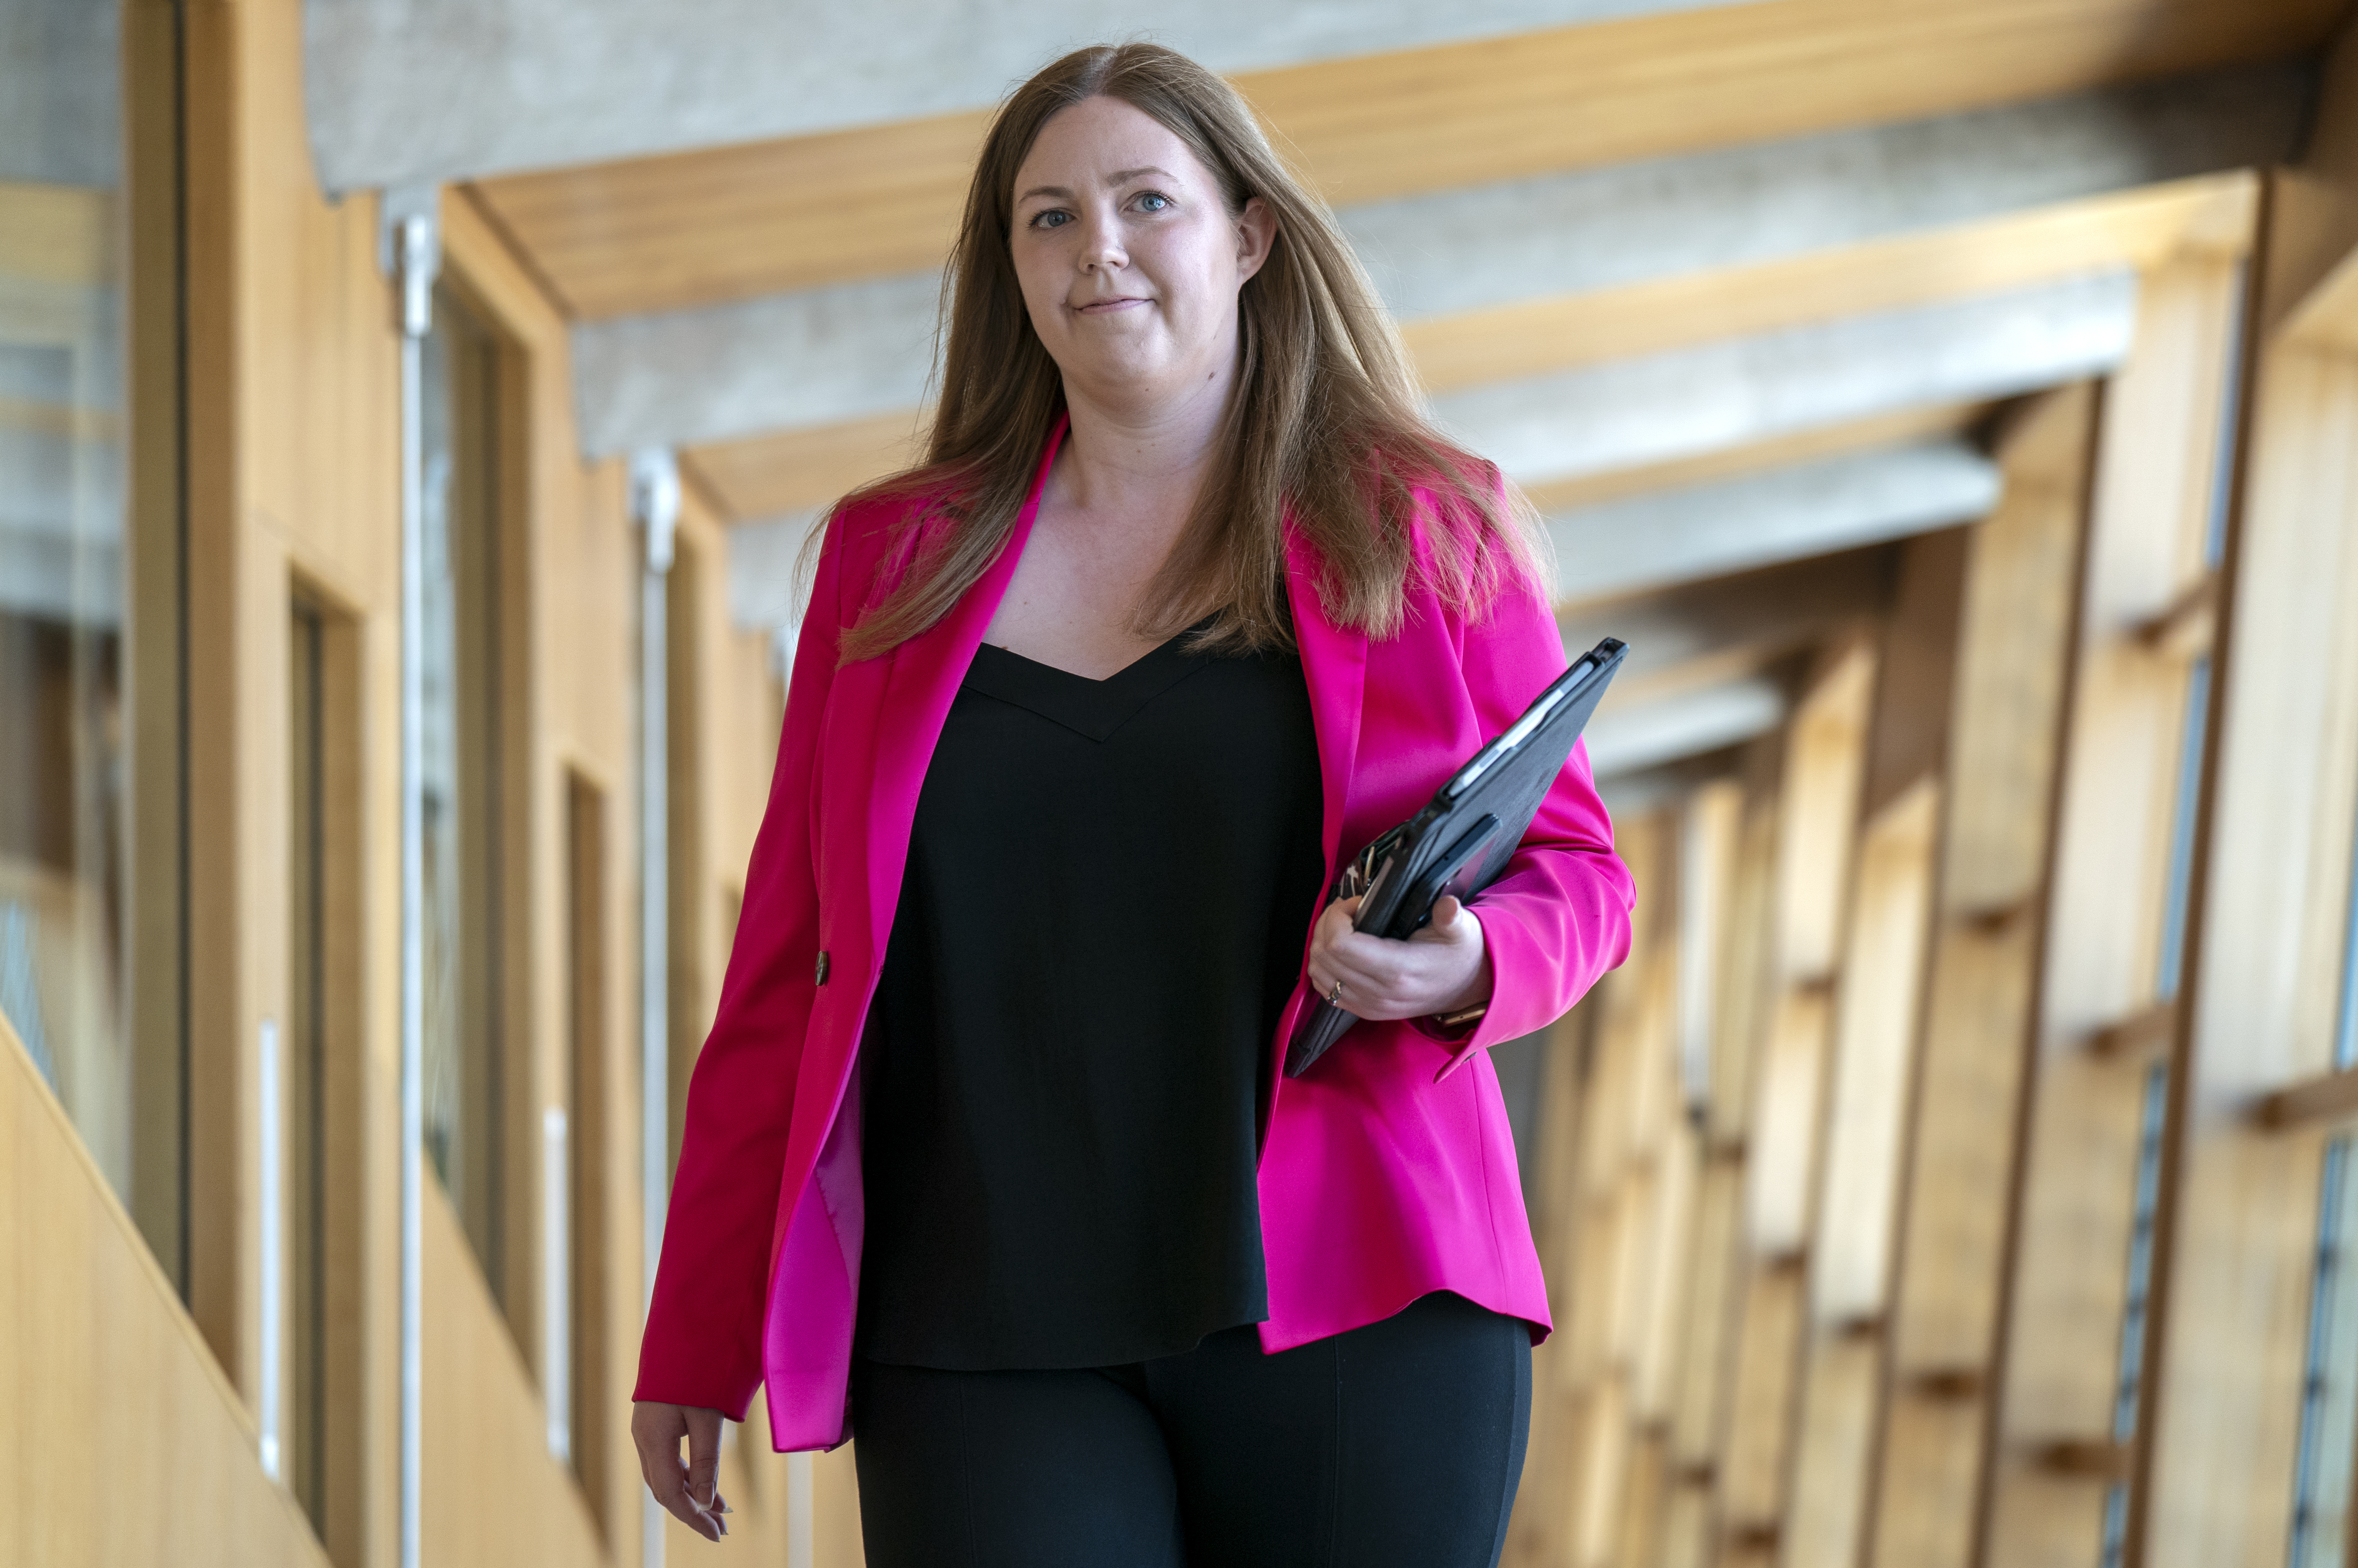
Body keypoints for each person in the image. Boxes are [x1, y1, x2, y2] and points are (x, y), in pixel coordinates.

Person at [630, 41, 1634, 1568]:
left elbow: (1576, 871)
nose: (1095, 247)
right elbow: (788, 968)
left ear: (1245, 237)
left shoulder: (1417, 524)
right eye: (1046, 217)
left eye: (1143, 200)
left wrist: (1468, 964)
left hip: (1357, 1296)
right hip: (975, 1324)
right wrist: (695, 1334)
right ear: (1009, 268)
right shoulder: (886, 565)